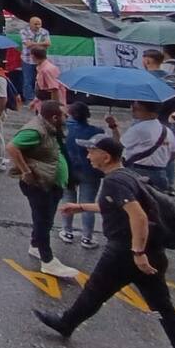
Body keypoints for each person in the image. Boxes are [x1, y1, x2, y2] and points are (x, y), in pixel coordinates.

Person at [35, 134, 175, 348]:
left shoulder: (115, 182)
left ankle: (66, 323)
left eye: (91, 151)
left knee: (95, 291)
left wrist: (137, 253)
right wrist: (82, 207)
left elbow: (137, 216)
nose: (88, 156)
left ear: (105, 157)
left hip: (125, 251)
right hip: (151, 252)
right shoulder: (125, 175)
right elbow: (119, 207)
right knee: (164, 309)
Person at [6, 99, 79, 278]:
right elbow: (12, 147)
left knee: (46, 218)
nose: (66, 118)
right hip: (40, 183)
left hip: (51, 182)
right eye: (64, 115)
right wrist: (26, 171)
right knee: (43, 221)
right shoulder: (36, 130)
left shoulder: (52, 128)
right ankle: (47, 261)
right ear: (54, 117)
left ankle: (36, 245)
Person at [59, 102, 104, 248]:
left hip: (69, 170)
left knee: (68, 199)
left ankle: (67, 231)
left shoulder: (64, 129)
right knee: (87, 204)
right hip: (90, 171)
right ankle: (87, 237)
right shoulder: (97, 131)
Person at [107, 100, 175, 193]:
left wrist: (113, 126)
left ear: (145, 110)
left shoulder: (139, 129)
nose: (132, 110)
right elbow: (173, 155)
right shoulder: (167, 131)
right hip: (160, 175)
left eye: (136, 108)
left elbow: (118, 145)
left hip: (138, 172)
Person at [20, 17, 50, 102]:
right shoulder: (24, 31)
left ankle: (40, 98)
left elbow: (48, 44)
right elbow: (28, 45)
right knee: (28, 80)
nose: (37, 26)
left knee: (40, 80)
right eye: (35, 24)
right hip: (27, 60)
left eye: (39, 24)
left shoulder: (44, 31)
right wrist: (41, 44)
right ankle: (29, 100)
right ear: (30, 24)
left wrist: (34, 43)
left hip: (40, 61)